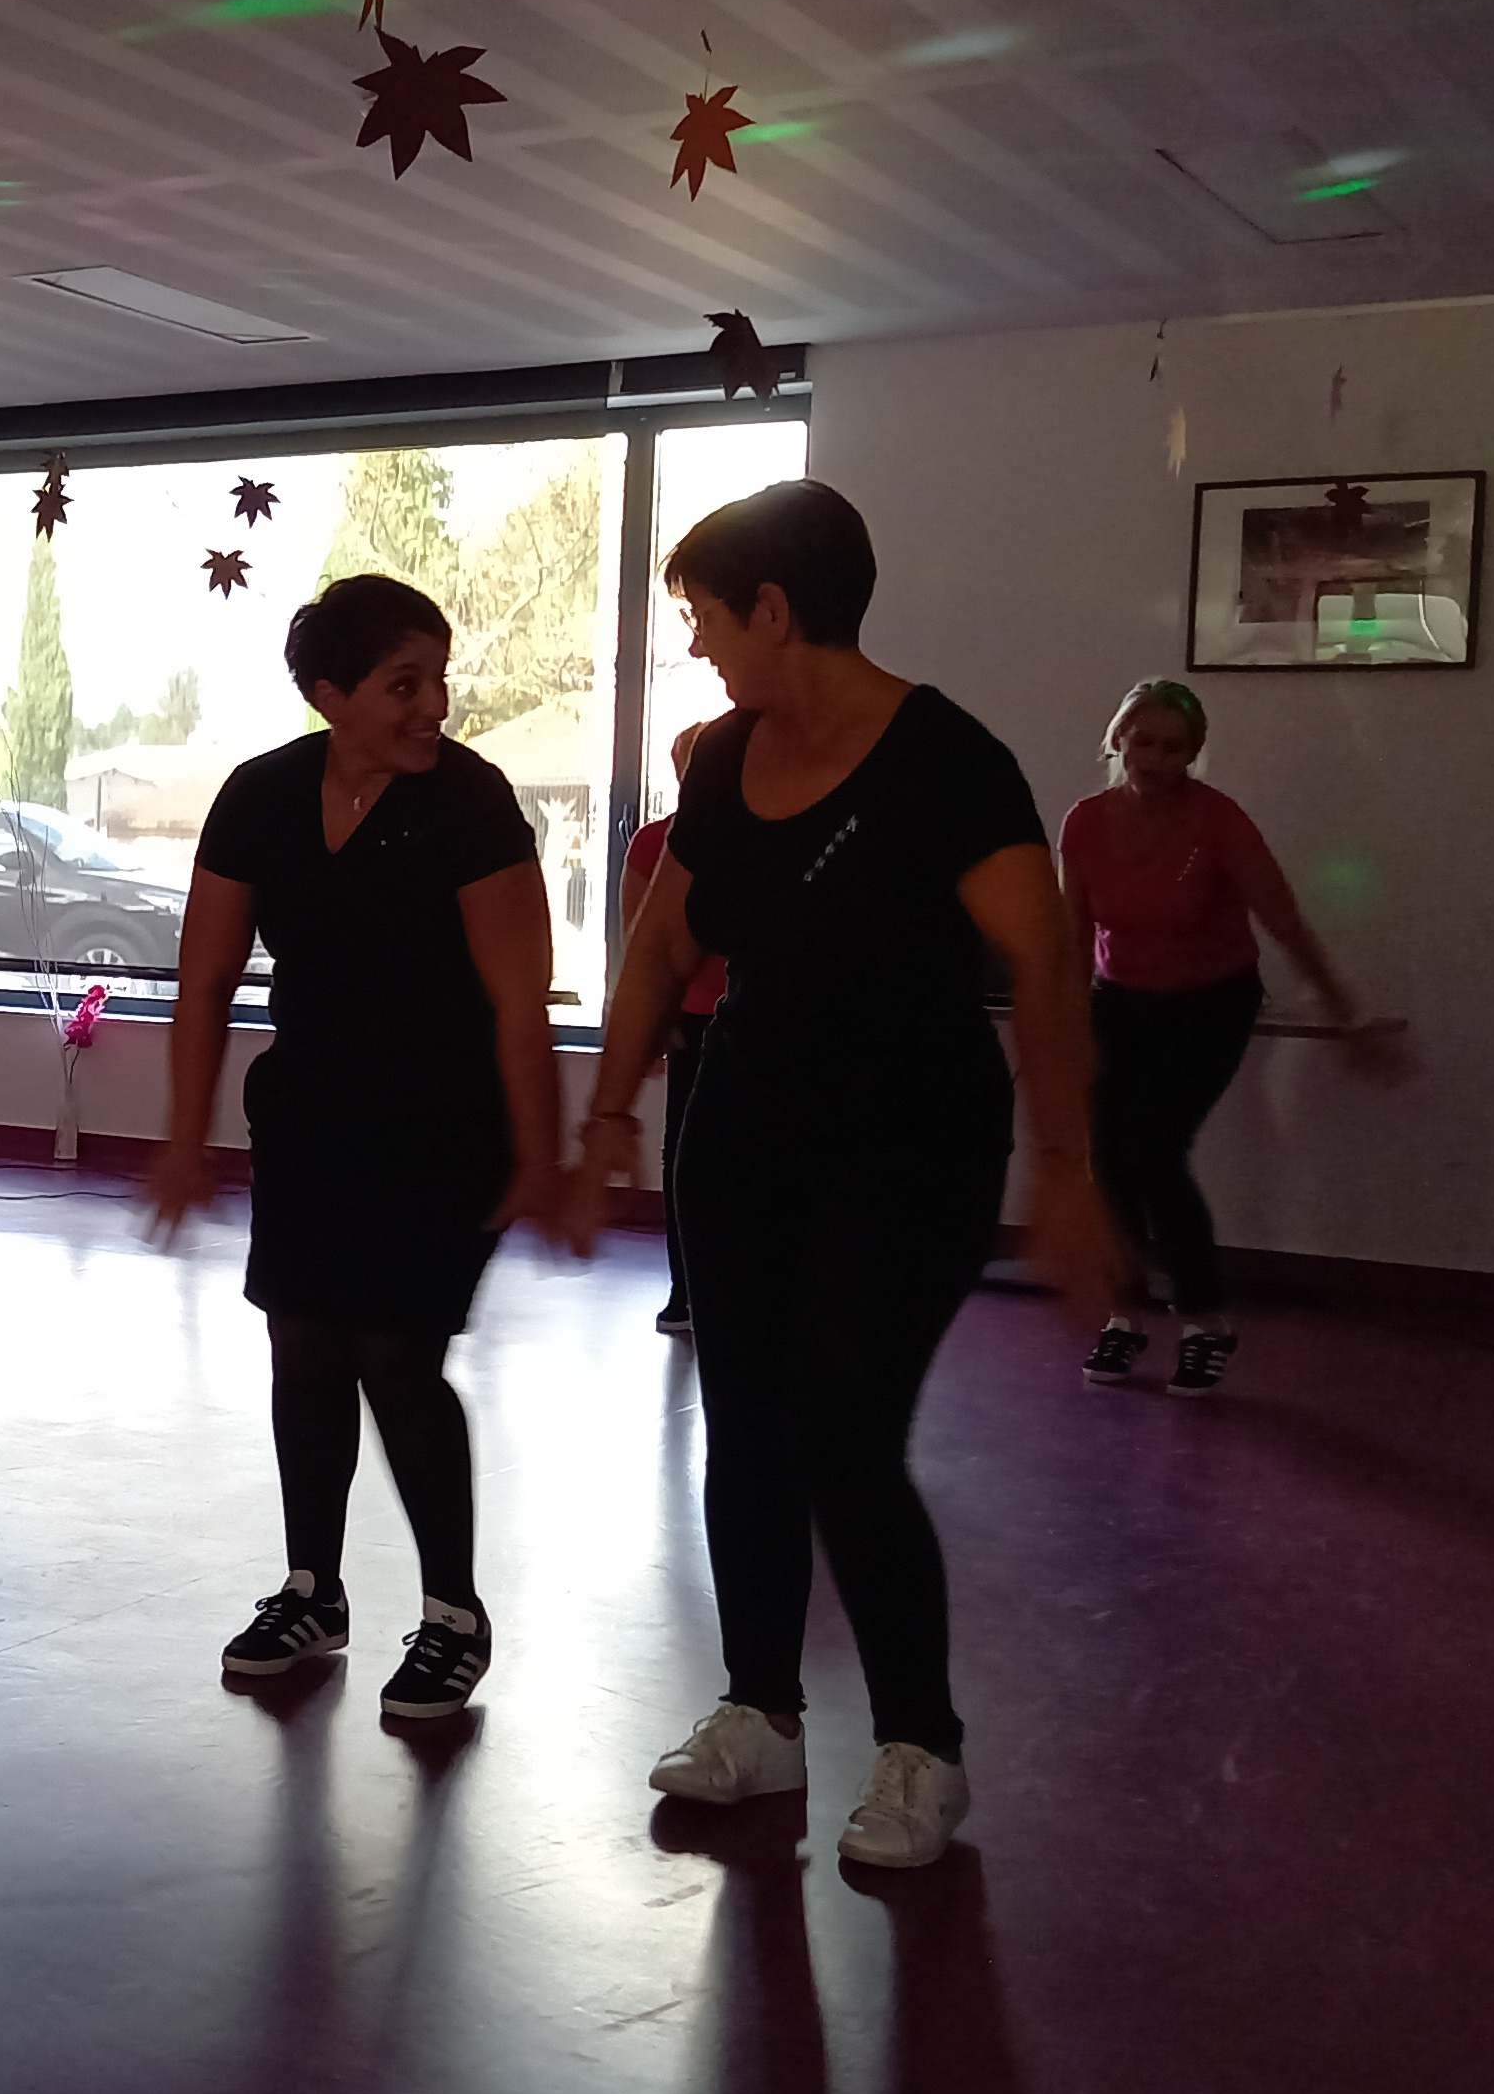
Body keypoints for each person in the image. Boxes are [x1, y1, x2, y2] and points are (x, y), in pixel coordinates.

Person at [564, 480, 1113, 1871]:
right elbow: (663, 943)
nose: (696, 644)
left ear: (773, 610)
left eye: (703, 616)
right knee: (746, 1425)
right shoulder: (724, 759)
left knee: (847, 1438)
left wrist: (1067, 1166)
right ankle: (760, 1713)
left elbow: (1044, 959)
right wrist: (608, 1113)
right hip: (745, 1130)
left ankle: (922, 1749)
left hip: (911, 1145)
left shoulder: (946, 759)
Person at [150, 574, 560, 1722]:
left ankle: (453, 1616)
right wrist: (183, 1138)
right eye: (402, 685)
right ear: (331, 694)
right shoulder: (263, 795)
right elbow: (204, 982)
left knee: (396, 1357)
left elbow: (518, 1000)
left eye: (437, 680)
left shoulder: (468, 801)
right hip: (312, 1119)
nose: (434, 705)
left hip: (444, 1126)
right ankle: (311, 1592)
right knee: (304, 1350)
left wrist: (541, 1152)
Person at [1059, 679, 1405, 1397]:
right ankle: (1125, 1314)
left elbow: (1284, 921)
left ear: (1194, 754)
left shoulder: (1217, 822)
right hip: (1120, 1000)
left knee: (1156, 1154)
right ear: (1118, 739)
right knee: (1110, 1161)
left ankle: (1204, 1322)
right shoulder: (1085, 823)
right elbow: (1075, 932)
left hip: (1208, 1004)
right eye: (1143, 742)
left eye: (1174, 748)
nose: (1156, 760)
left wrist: (1346, 1012)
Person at [615, 718, 732, 1335]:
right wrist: (654, 1024)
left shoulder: (756, 837)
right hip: (689, 1017)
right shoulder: (652, 843)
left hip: (752, 1018)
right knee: (683, 1157)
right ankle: (685, 1291)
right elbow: (639, 944)